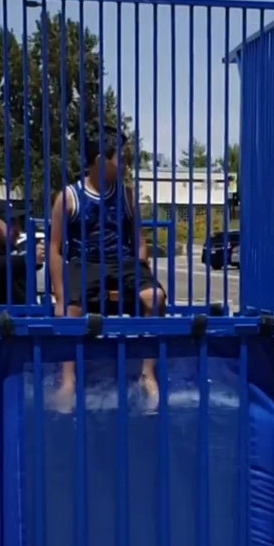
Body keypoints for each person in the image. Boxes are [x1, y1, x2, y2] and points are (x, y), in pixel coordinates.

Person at [48, 126, 166, 411]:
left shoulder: (126, 195)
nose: (126, 163)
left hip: (123, 261)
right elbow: (55, 248)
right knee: (70, 310)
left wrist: (140, 272)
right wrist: (60, 292)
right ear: (101, 160)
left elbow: (139, 242)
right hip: (84, 261)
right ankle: (68, 380)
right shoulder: (69, 197)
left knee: (157, 298)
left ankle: (147, 373)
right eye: (121, 157)